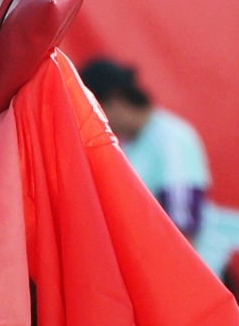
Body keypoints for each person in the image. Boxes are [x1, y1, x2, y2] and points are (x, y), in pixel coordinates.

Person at [77, 57, 210, 244]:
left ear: (115, 100)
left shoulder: (172, 139)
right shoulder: (127, 142)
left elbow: (183, 225)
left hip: (166, 259)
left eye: (93, 111)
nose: (92, 121)